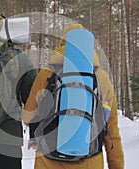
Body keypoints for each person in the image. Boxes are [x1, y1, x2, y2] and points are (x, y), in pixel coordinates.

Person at [22, 24, 124, 169]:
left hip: (48, 160)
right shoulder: (101, 78)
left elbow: (27, 117)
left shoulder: (46, 74)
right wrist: (116, 166)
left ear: (63, 43)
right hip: (90, 161)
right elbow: (112, 131)